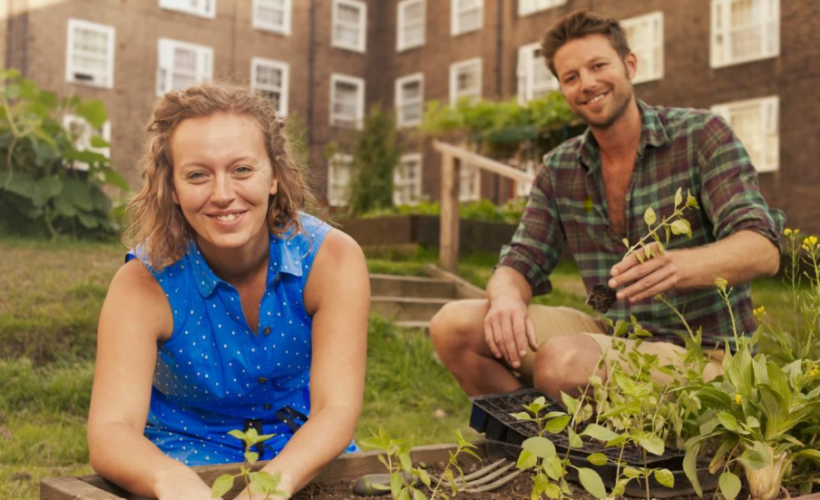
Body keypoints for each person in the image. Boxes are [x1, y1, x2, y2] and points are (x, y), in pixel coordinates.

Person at [430, 10, 784, 402]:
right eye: (571, 77)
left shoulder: (702, 135)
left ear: (629, 64)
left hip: (709, 354)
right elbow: (521, 258)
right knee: (454, 327)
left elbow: (763, 248)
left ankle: (585, 445)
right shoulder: (559, 168)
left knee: (563, 363)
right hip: (614, 336)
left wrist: (677, 267)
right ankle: (535, 442)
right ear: (563, 90)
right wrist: (507, 298)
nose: (588, 83)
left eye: (598, 65)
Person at [87, 83, 370, 500]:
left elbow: (336, 409)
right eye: (198, 174)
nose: (222, 195)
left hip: (305, 458)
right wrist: (171, 481)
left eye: (242, 170)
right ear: (173, 187)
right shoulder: (142, 285)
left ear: (273, 175)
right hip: (185, 462)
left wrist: (272, 486)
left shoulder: (333, 261)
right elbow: (111, 430)